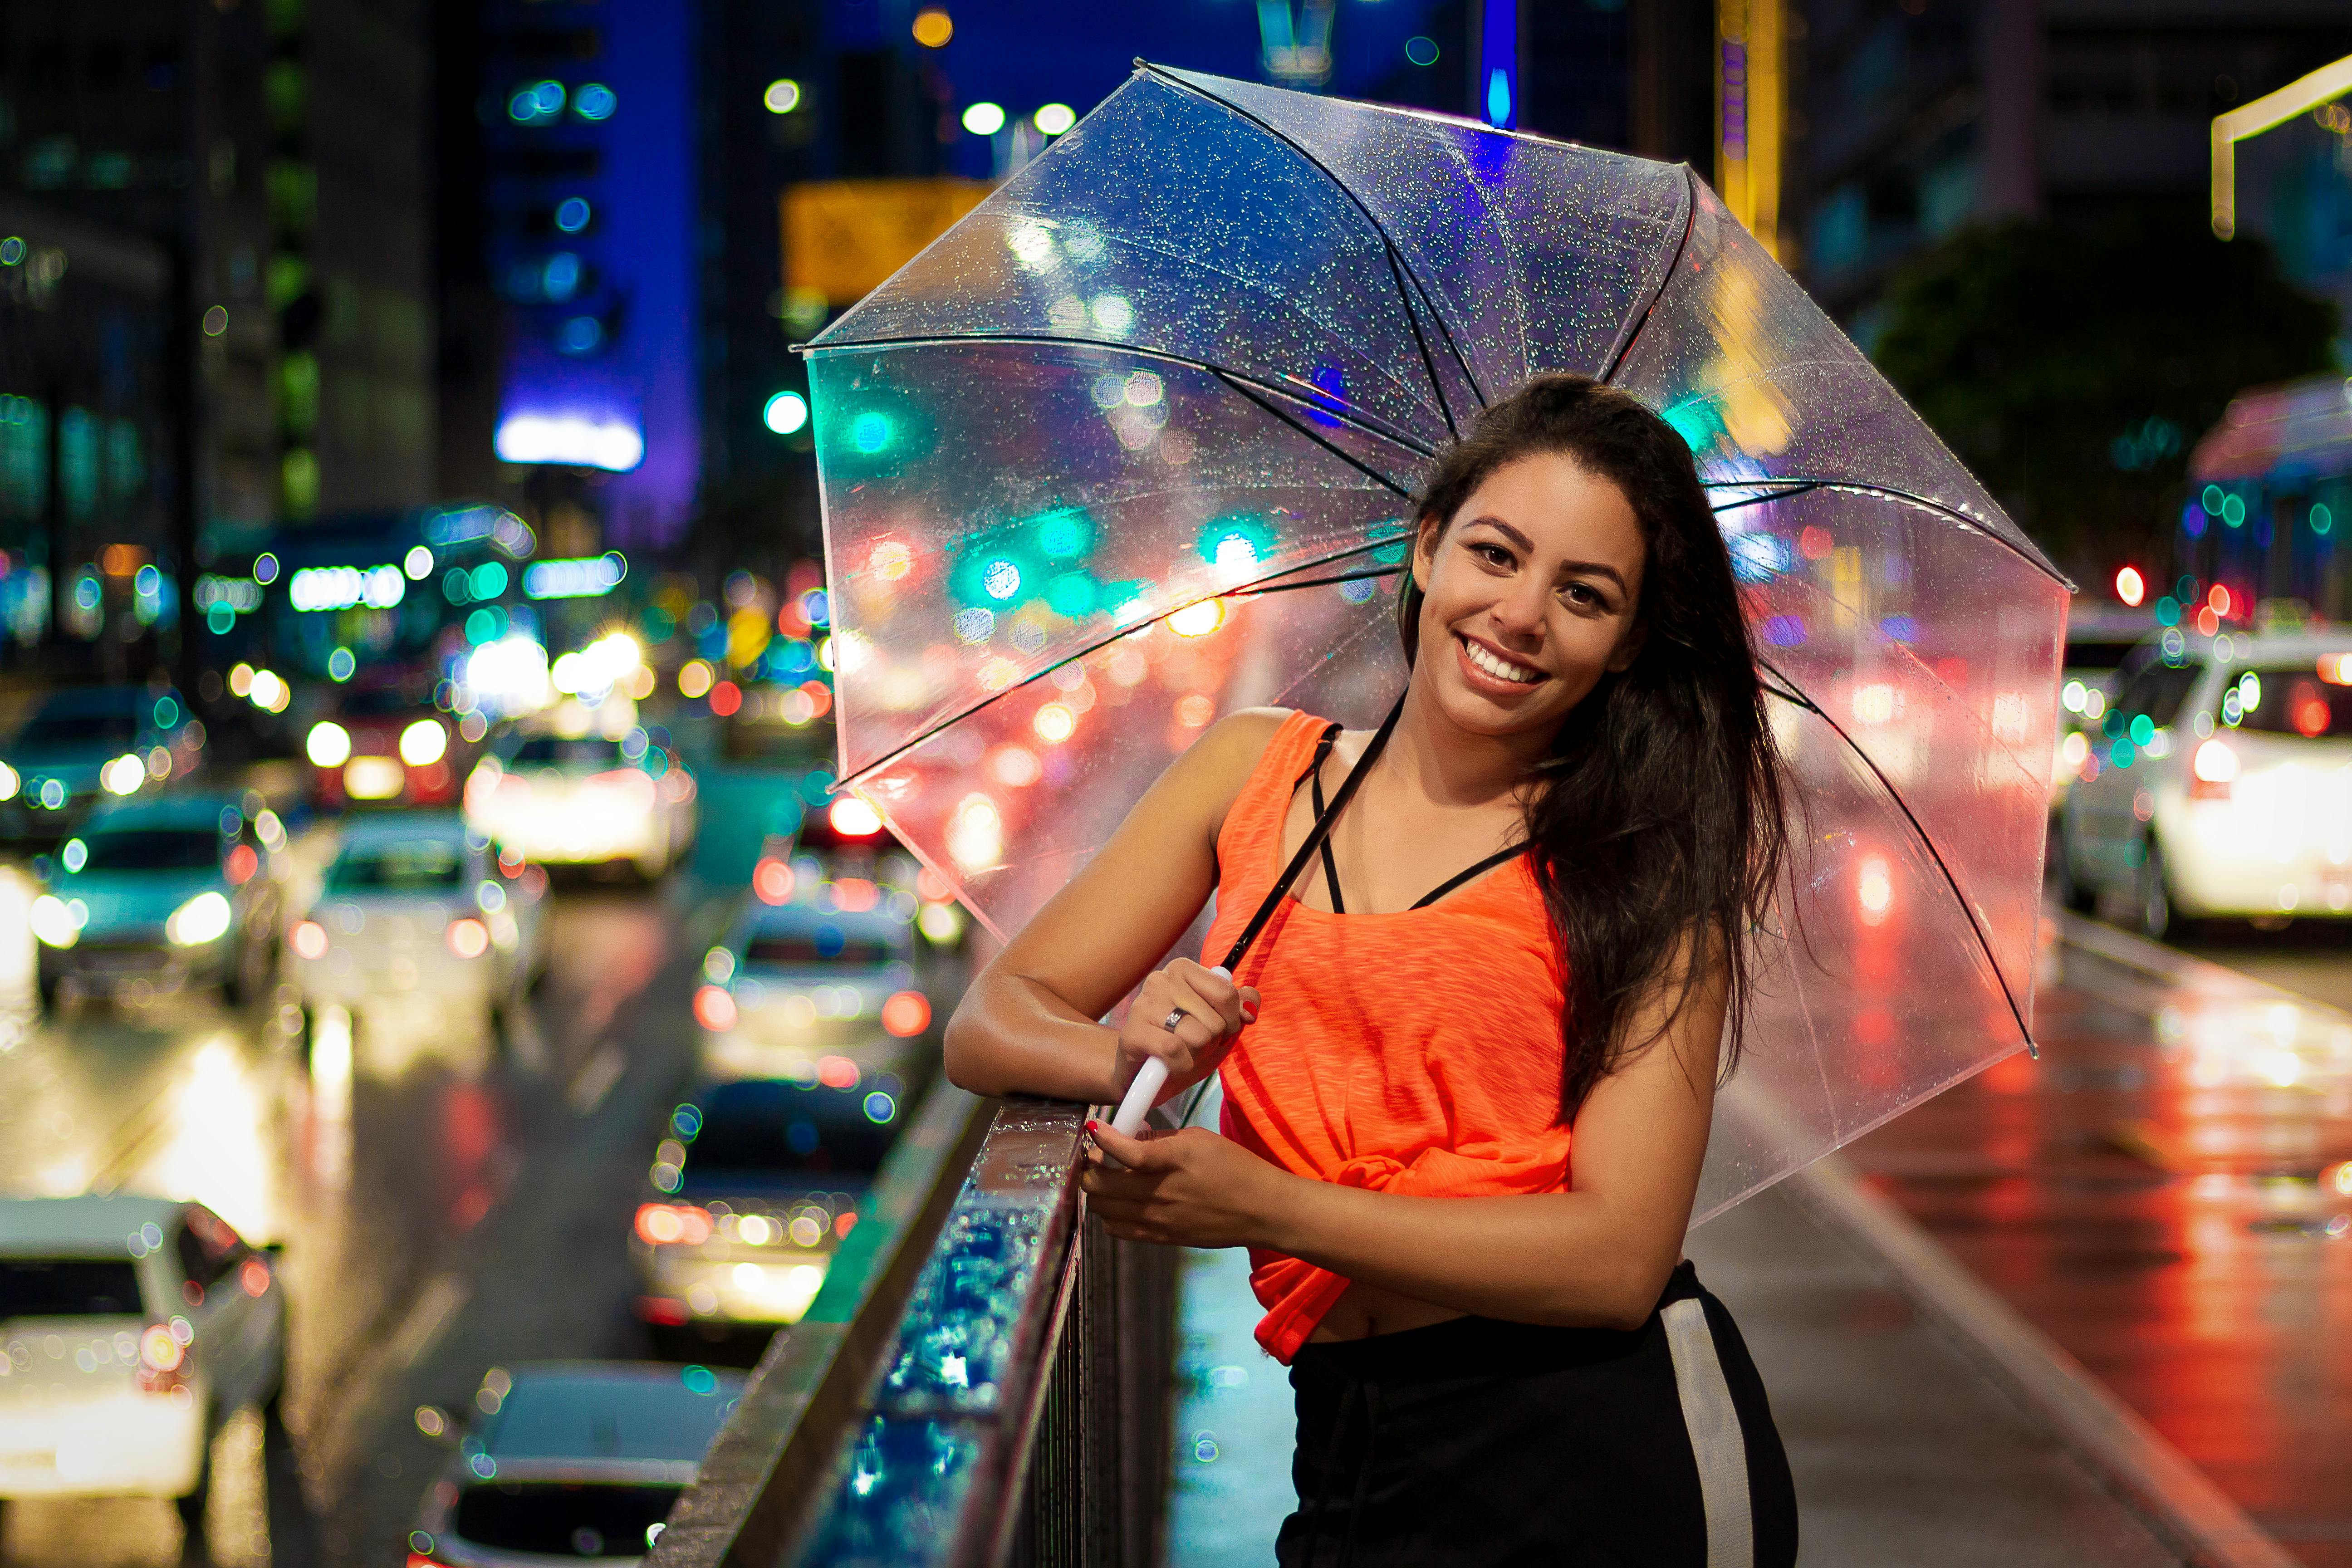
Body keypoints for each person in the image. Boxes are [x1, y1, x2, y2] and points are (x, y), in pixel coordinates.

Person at [944, 373, 1798, 1566]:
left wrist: (1268, 1204)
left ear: (1628, 646)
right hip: (1352, 1432)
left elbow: (1617, 1261)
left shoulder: (1644, 859)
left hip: (1605, 1448)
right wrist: (1141, 1056)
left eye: (1585, 595)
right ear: (1427, 548)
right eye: (1495, 556)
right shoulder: (1256, 770)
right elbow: (990, 1020)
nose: (1521, 615)